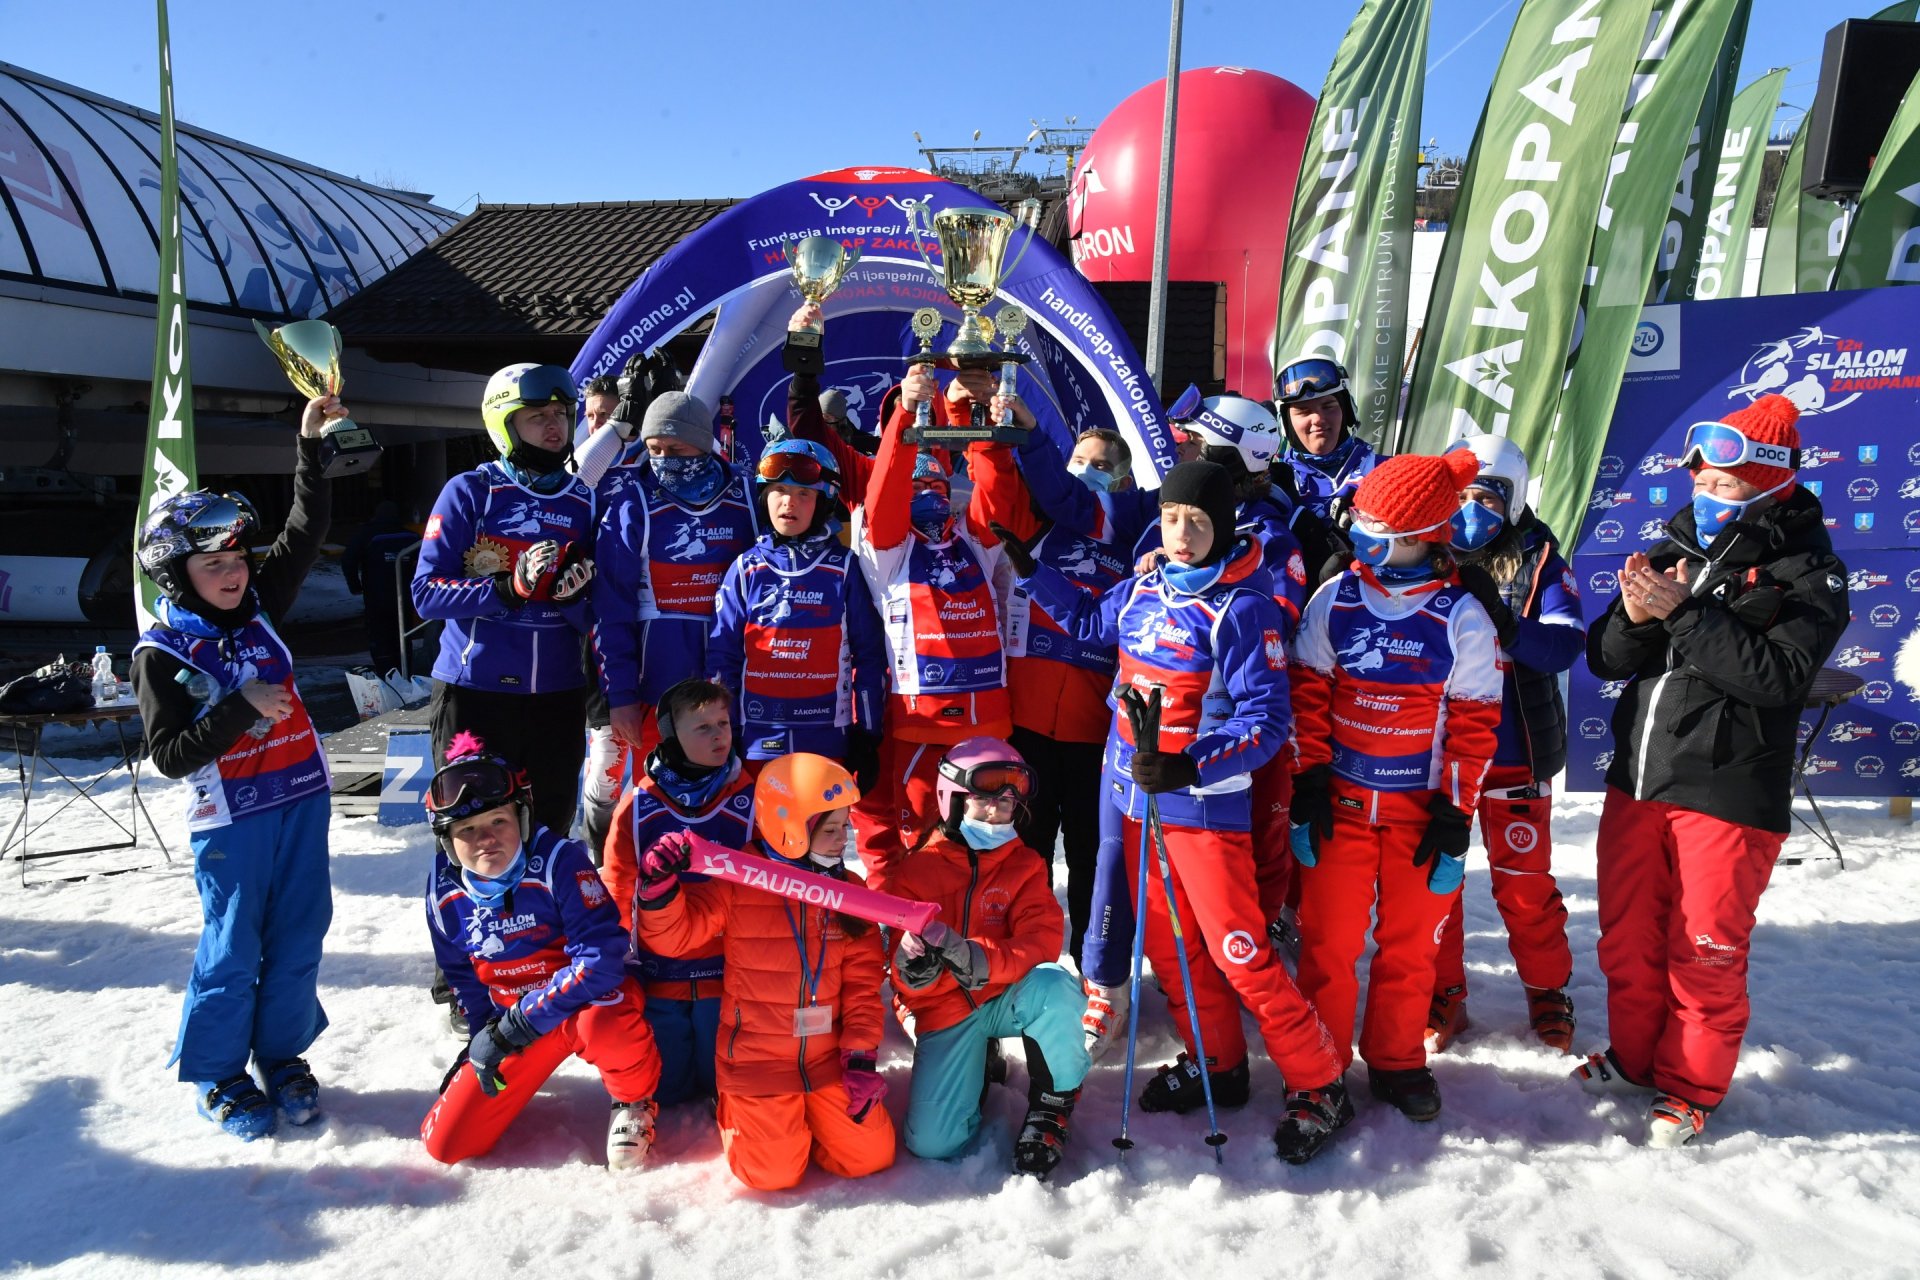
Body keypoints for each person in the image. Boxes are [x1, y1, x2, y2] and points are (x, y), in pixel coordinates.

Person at [1000, 460, 1352, 1164]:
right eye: (1169, 518)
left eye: (1196, 520)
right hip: (1133, 798)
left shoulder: (1243, 607)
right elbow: (1090, 623)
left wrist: (1191, 764)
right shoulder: (1145, 586)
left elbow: (1266, 721)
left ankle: (1320, 1081)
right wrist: (1033, 573)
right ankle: (1216, 1061)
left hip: (1202, 809)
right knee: (1170, 949)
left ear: (1222, 524)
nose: (1181, 533)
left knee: (1238, 951)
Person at [1581, 394, 1846, 1147]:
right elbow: (1606, 660)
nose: (1706, 495)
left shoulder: (1810, 573)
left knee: (1704, 953)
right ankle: (1636, 1059)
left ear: (1772, 484)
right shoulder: (1675, 549)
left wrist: (1683, 614)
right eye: (1701, 481)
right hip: (1638, 783)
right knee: (1627, 940)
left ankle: (1691, 1087)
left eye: (1725, 484)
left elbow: (1778, 677)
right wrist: (1633, 619)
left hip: (1726, 794)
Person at [131, 394, 341, 1140]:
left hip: (301, 796)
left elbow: (304, 529)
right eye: (212, 564)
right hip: (231, 818)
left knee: (300, 934)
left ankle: (281, 1055)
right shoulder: (161, 653)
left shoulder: (260, 602)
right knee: (233, 947)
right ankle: (218, 1073)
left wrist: (309, 447)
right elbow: (168, 756)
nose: (232, 573)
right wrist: (239, 708)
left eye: (238, 559)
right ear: (178, 574)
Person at [1288, 451, 1503, 1123]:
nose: (1361, 537)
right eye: (1361, 523)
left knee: (1412, 945)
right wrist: (1308, 780)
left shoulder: (1461, 615)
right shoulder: (1336, 597)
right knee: (1329, 943)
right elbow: (1308, 695)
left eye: (1376, 528)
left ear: (1419, 535)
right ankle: (1318, 1067)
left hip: (1419, 811)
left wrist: (1456, 814)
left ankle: (1397, 1059)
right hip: (1343, 804)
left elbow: (1474, 722)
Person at [633, 754, 896, 1191]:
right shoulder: (740, 879)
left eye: (845, 826)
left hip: (826, 1061)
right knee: (772, 1175)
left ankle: (805, 1122)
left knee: (870, 1156)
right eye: (830, 829)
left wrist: (860, 1057)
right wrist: (659, 890)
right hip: (757, 1063)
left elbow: (863, 986)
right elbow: (675, 939)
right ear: (791, 828)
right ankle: (742, 1114)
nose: (843, 839)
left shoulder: (850, 891)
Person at [419, 737, 662, 1169]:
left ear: (523, 818)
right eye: (466, 830)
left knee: (606, 1022)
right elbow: (461, 974)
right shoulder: (443, 890)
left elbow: (601, 962)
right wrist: (481, 1035)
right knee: (446, 1144)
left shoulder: (558, 861)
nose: (485, 839)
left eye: (498, 821)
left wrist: (519, 1024)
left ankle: (634, 1100)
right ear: (447, 840)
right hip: (512, 1022)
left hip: (580, 1005)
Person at [1425, 435, 1586, 1055]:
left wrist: (1510, 626)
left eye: (1488, 498)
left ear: (1514, 501)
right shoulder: (1425, 548)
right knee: (1437, 880)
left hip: (1513, 752)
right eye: (1461, 495)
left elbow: (1565, 644)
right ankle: (1445, 991)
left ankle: (1548, 991)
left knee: (1523, 885)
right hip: (1439, 753)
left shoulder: (1539, 556)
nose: (1472, 510)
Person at [870, 737, 1092, 1179]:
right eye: (985, 800)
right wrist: (915, 972)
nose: (996, 813)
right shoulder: (915, 872)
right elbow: (898, 966)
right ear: (952, 801)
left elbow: (1042, 940)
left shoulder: (1024, 865)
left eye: (1007, 804)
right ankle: (977, 1063)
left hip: (1005, 995)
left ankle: (1052, 1104)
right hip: (948, 1009)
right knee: (933, 1143)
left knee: (1055, 987)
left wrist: (979, 959)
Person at [965, 423, 1135, 961]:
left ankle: (1091, 966)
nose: (1087, 473)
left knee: (1090, 857)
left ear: (1123, 481)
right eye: (1079, 461)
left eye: (1101, 466)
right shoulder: (1037, 524)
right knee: (1026, 852)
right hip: (1027, 726)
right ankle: (1019, 959)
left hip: (1093, 733)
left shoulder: (1131, 542)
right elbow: (993, 486)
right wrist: (994, 428)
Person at [411, 363, 597, 836]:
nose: (554, 426)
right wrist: (506, 589)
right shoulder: (472, 492)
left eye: (561, 414)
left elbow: (597, 616)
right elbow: (426, 594)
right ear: (504, 424)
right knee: (476, 832)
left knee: (549, 829)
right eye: (537, 416)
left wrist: (574, 599)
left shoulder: (585, 501)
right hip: (476, 694)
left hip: (557, 695)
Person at [846, 364, 1014, 874]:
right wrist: (903, 415)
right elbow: (884, 496)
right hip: (922, 725)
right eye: (915, 485)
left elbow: (997, 495)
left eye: (936, 484)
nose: (927, 494)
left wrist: (982, 422)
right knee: (922, 850)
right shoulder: (888, 551)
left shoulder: (971, 540)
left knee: (983, 853)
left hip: (988, 720)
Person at [602, 678, 753, 1108]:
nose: (719, 735)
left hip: (726, 980)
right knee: (666, 1090)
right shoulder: (639, 806)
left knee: (720, 1083)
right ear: (671, 736)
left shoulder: (750, 798)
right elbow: (617, 884)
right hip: (660, 977)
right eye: (702, 727)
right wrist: (615, 960)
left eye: (723, 723)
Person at [707, 438, 885, 779]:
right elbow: (722, 658)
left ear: (824, 502)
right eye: (779, 490)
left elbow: (869, 655)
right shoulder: (746, 569)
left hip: (827, 738)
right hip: (758, 739)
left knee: (824, 816)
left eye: (804, 493)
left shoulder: (844, 567)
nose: (789, 502)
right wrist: (724, 730)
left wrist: (868, 732)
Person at [592, 391, 758, 756]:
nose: (664, 460)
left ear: (702, 443)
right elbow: (611, 607)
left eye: (676, 449)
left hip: (739, 676)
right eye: (654, 449)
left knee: (737, 783)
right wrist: (620, 696)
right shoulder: (633, 503)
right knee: (661, 784)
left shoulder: (747, 494)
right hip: (659, 684)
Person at [1272, 357, 1382, 585]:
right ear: (1285, 423)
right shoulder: (1275, 483)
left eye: (1328, 406)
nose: (1318, 419)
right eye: (1303, 411)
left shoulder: (1385, 471)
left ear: (1347, 410)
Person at [341, 499, 417, 674]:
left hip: (377, 596)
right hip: (405, 596)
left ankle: (387, 674)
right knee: (403, 635)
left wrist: (355, 585)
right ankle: (405, 672)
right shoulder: (412, 537)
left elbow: (348, 560)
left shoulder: (367, 535)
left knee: (380, 636)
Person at [820, 386, 879, 456]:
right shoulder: (817, 432)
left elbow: (857, 436)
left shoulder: (844, 423)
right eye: (823, 417)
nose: (823, 421)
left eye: (827, 418)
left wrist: (879, 442)